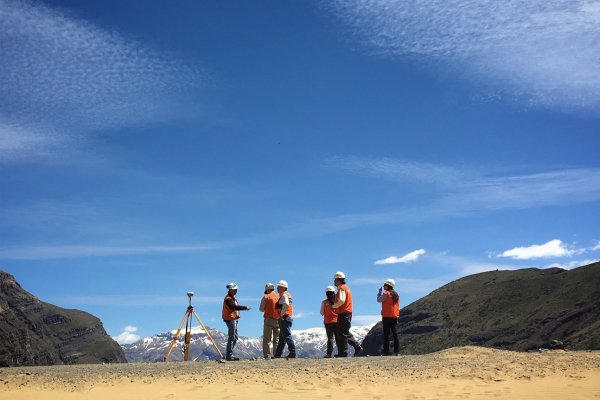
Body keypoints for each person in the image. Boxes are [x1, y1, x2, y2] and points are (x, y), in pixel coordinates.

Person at [330, 271, 363, 357]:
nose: (334, 282)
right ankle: (355, 347)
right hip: (346, 312)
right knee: (344, 331)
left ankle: (343, 352)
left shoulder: (341, 288)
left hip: (344, 313)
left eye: (335, 280)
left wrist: (334, 306)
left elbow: (341, 300)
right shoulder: (346, 288)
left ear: (338, 280)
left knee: (342, 333)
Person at [222, 282, 251, 361]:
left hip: (234, 319)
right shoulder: (228, 299)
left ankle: (229, 354)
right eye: (235, 290)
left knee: (235, 337)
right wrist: (245, 308)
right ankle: (229, 355)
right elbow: (233, 307)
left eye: (236, 290)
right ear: (231, 290)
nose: (236, 291)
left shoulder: (232, 298)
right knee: (232, 337)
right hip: (230, 319)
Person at [273, 280, 296, 359]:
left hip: (284, 318)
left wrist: (281, 314)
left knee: (286, 336)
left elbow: (286, 304)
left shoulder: (284, 295)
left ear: (283, 287)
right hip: (288, 317)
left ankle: (292, 352)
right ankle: (278, 354)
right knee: (282, 337)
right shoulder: (287, 295)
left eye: (279, 287)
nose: (277, 288)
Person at [377, 279, 400, 356]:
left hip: (387, 316)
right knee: (394, 334)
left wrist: (379, 293)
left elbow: (378, 300)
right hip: (394, 316)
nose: (384, 286)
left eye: (385, 285)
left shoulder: (386, 293)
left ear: (387, 285)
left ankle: (386, 352)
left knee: (386, 335)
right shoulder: (396, 295)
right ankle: (397, 351)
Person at [259, 282, 280, 359]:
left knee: (267, 339)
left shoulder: (266, 297)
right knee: (276, 339)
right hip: (278, 320)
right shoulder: (279, 297)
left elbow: (261, 309)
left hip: (268, 319)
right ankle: (276, 355)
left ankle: (267, 356)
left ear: (267, 289)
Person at [320, 285, 339, 358]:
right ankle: (340, 352)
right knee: (338, 338)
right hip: (337, 321)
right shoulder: (337, 301)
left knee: (330, 338)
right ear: (334, 293)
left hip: (328, 322)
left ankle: (329, 353)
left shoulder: (324, 302)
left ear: (326, 294)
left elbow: (321, 312)